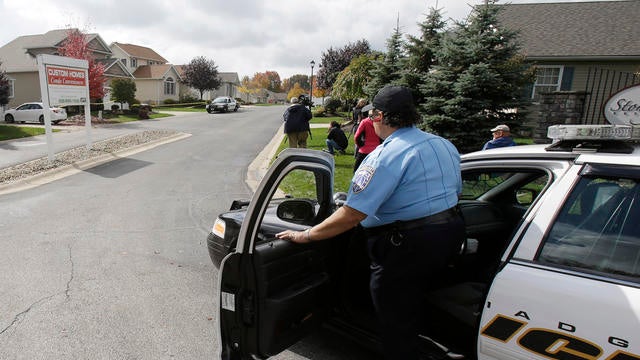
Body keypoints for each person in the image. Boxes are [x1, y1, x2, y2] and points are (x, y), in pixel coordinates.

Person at [276, 85, 465, 360]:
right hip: (450, 233)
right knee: (418, 295)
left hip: (405, 248)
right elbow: (454, 191)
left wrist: (307, 236)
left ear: (379, 117)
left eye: (374, 114)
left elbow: (353, 214)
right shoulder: (443, 144)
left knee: (395, 320)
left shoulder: (384, 157)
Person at [353, 103, 382, 172]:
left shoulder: (364, 122)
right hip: (377, 150)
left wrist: (360, 145)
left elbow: (357, 136)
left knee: (357, 171)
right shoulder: (380, 122)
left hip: (364, 150)